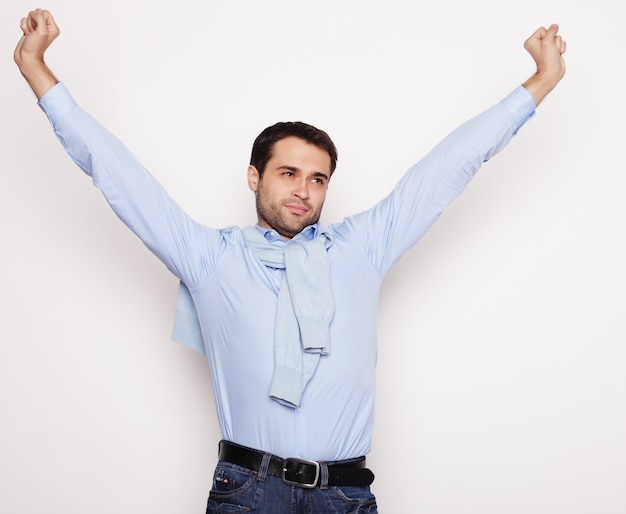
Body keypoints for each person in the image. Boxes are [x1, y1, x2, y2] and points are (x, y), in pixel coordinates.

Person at [14, 8, 566, 514]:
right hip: (247, 492)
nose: (304, 190)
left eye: (318, 178)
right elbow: (117, 174)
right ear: (255, 177)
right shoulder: (211, 258)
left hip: (345, 494)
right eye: (288, 173)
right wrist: (39, 70)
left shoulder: (362, 247)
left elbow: (448, 167)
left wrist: (538, 83)